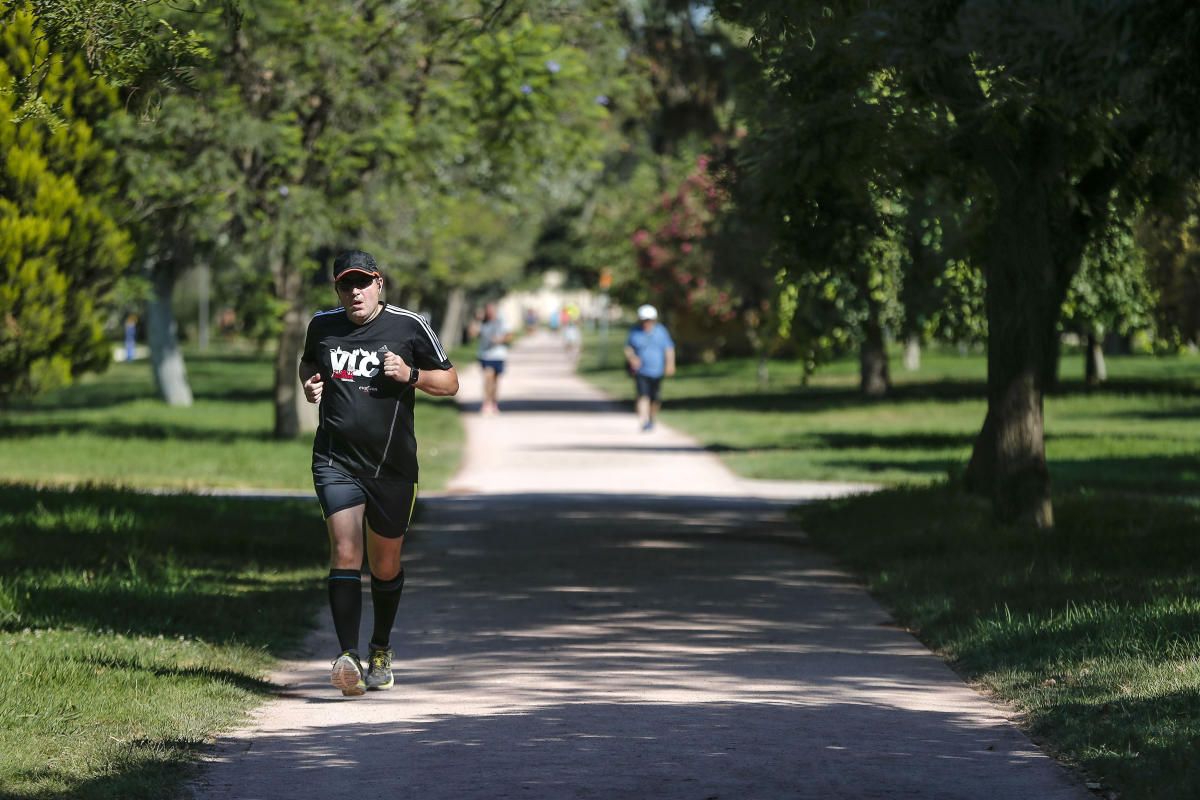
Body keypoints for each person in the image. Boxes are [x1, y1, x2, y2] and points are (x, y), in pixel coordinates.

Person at [299, 250, 459, 697]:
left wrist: (411, 374)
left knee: (385, 564)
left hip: (392, 466)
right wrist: (309, 383)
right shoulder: (322, 325)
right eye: (346, 285)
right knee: (345, 549)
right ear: (337, 289)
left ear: (379, 283)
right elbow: (309, 362)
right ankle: (347, 657)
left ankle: (380, 649)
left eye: (362, 283)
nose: (355, 292)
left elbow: (450, 382)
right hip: (335, 460)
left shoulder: (409, 325)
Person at [624, 304, 675, 432]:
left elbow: (669, 348)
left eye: (649, 320)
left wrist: (670, 364)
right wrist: (632, 358)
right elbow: (628, 348)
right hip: (641, 370)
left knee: (655, 398)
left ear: (653, 320)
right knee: (643, 395)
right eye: (644, 320)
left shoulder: (661, 331)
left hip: (657, 370)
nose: (646, 323)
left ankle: (652, 418)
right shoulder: (635, 331)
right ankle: (644, 421)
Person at [476, 302, 512, 415]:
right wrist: (477, 320)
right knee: (488, 377)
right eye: (488, 310)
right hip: (485, 355)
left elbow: (509, 336)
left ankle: (494, 402)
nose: (490, 312)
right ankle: (486, 403)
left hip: (499, 355)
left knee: (495, 381)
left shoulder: (503, 321)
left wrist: (500, 340)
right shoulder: (482, 322)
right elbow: (473, 333)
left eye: (492, 310)